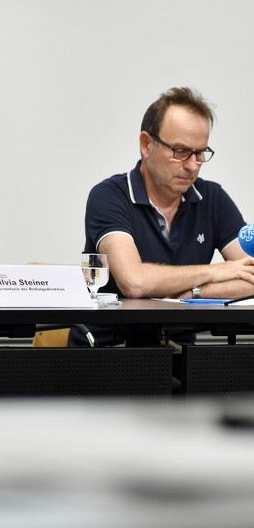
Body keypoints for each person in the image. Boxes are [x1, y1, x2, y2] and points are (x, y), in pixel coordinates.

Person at [73, 87, 254, 347]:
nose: (192, 165)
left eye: (200, 152)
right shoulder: (110, 196)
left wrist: (194, 292)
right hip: (106, 357)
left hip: (183, 359)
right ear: (146, 144)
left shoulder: (212, 198)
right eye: (180, 151)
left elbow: (251, 275)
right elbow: (134, 282)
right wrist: (216, 272)